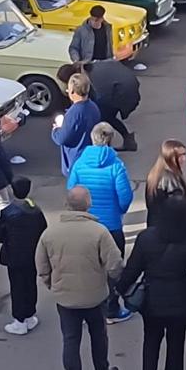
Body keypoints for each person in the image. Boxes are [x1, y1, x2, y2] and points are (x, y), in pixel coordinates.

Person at [116, 178, 186, 370]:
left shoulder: (147, 237)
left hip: (152, 296)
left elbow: (133, 267)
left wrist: (120, 289)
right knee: (176, 343)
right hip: (179, 295)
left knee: (151, 339)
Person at [36, 186, 124, 370]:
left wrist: (52, 284)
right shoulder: (99, 232)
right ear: (88, 204)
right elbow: (115, 264)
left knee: (70, 339)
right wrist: (111, 282)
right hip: (94, 295)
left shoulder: (50, 233)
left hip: (65, 298)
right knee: (98, 335)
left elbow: (41, 265)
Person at [67, 122, 135, 322]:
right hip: (111, 226)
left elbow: (71, 190)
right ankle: (112, 309)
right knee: (113, 268)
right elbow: (125, 196)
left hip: (86, 225)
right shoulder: (116, 165)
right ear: (111, 139)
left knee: (89, 266)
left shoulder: (79, 163)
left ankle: (91, 307)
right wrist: (118, 211)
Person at [0, 177, 47, 336]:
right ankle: (30, 315)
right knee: (31, 284)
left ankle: (19, 320)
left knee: (17, 287)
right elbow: (44, 230)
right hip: (32, 254)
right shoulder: (36, 210)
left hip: (14, 256)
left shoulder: (8, 212)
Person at [59, 59, 140, 153]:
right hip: (125, 80)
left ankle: (105, 147)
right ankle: (127, 140)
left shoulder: (90, 80)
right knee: (107, 116)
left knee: (104, 116)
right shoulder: (87, 67)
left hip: (123, 90)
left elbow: (100, 98)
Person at [51, 72, 102, 176]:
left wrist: (56, 128)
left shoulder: (74, 113)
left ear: (73, 91)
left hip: (77, 162)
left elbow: (61, 138)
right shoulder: (93, 107)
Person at [145, 138, 186, 234]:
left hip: (159, 229)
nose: (184, 159)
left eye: (184, 154)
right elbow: (181, 210)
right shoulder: (171, 180)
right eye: (180, 156)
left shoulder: (155, 174)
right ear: (170, 157)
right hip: (176, 232)